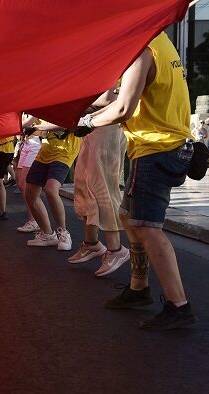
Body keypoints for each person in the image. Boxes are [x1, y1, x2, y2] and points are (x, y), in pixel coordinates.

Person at [74, 31, 195, 330]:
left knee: (146, 227)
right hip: (164, 147)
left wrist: (85, 122)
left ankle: (179, 307)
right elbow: (116, 98)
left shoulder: (143, 49)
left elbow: (123, 107)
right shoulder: (161, 42)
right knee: (129, 217)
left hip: (156, 148)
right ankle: (139, 289)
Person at [68, 88, 131, 277]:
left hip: (107, 123)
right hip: (92, 123)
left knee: (102, 186)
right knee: (83, 185)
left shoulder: (116, 62)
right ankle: (92, 244)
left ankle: (116, 249)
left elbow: (113, 97)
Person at [23, 128, 79, 251]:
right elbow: (38, 129)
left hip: (65, 151)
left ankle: (63, 233)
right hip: (45, 151)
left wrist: (40, 127)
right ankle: (47, 234)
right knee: (29, 192)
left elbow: (66, 123)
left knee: (51, 189)